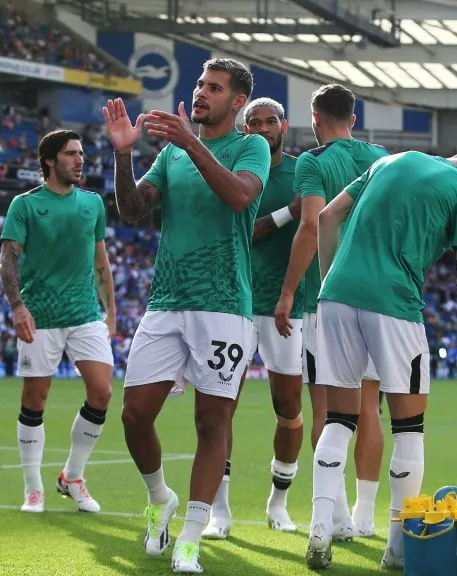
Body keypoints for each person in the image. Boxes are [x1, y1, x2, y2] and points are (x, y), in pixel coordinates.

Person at [304, 145, 457, 571]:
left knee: (339, 420)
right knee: (409, 428)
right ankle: (396, 548)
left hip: (336, 295)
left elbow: (326, 218)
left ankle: (320, 528)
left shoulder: (387, 160)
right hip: (395, 304)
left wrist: (330, 284)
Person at [103, 57, 270, 574]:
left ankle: (192, 538)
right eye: (200, 84)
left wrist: (190, 143)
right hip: (168, 301)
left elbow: (241, 197)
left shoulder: (251, 146)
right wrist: (125, 156)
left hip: (225, 307)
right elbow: (133, 209)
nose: (201, 93)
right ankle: (160, 498)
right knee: (133, 415)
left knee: (211, 419)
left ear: (237, 101)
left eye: (214, 88)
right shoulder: (172, 153)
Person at [277, 83, 390, 539]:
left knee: (327, 409)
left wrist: (287, 292)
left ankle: (336, 515)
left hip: (332, 297)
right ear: (354, 119)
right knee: (370, 409)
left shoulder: (313, 162)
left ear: (315, 118)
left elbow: (311, 225)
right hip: (381, 293)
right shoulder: (380, 158)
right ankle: (365, 514)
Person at [201, 97, 305, 539]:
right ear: (244, 130)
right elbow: (248, 228)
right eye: (253, 123)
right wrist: (289, 212)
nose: (262, 129)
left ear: (284, 125)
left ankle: (277, 503)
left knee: (289, 408)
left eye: (269, 122)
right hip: (236, 303)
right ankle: (218, 512)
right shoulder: (237, 170)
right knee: (222, 408)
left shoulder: (304, 171)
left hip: (289, 307)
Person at [0, 129, 116, 515]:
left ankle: (72, 476)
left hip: (85, 313)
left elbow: (101, 261)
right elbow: (9, 261)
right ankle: (33, 487)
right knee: (35, 400)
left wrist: (111, 310)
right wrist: (17, 307)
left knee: (102, 393)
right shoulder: (25, 205)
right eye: (70, 154)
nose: (80, 160)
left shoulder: (93, 203)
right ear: (50, 160)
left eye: (81, 153)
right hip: (40, 316)